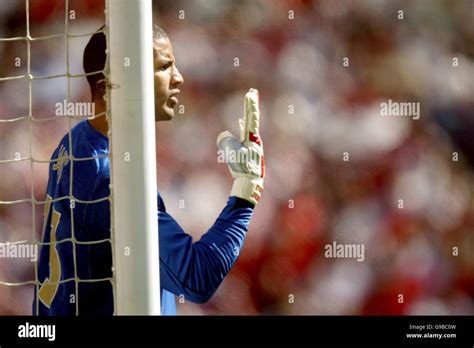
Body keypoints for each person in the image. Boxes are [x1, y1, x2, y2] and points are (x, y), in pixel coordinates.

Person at [33, 25, 265, 315]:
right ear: (111, 85)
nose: (179, 78)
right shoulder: (111, 180)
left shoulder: (76, 141)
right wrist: (246, 190)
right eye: (165, 67)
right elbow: (197, 278)